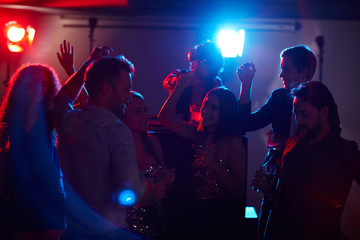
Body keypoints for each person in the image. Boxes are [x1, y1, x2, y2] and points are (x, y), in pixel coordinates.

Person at [53, 47, 166, 240]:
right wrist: (154, 192)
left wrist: (88, 65)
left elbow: (61, 99)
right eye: (126, 88)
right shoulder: (116, 131)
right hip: (106, 231)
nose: (129, 96)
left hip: (70, 230)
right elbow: (131, 191)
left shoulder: (68, 121)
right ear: (106, 89)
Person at [262, 81, 360, 240]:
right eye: (296, 115)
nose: (299, 121)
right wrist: (269, 189)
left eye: (304, 114)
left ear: (324, 112)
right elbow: (283, 198)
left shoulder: (344, 151)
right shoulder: (292, 145)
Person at [237, 45, 317, 240]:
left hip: (305, 180)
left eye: (286, 69)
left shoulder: (318, 103)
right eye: (282, 68)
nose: (281, 74)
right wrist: (246, 84)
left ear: (304, 72)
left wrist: (289, 143)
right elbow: (245, 123)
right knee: (269, 228)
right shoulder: (279, 97)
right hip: (275, 176)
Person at [158, 75, 247, 238]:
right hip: (194, 211)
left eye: (214, 108)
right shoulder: (198, 135)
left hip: (219, 215)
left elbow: (239, 191)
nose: (206, 110)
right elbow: (164, 118)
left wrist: (216, 165)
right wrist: (178, 90)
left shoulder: (232, 142)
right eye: (205, 105)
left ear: (225, 112)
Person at [0, 64, 66, 240]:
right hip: (18, 200)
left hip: (49, 199)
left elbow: (80, 106)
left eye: (43, 84)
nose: (38, 88)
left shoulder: (51, 116)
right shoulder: (11, 119)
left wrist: (72, 69)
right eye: (33, 82)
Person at [122, 91, 175, 239]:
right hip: (128, 226)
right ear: (123, 116)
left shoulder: (153, 142)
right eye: (137, 111)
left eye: (145, 110)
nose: (144, 116)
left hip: (158, 221)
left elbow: (166, 190)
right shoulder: (119, 146)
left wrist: (168, 178)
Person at [162, 40, 224, 125]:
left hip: (202, 131)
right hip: (177, 128)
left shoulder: (216, 83)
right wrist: (177, 81)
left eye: (211, 64)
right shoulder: (182, 75)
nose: (208, 67)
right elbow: (166, 82)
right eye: (204, 62)